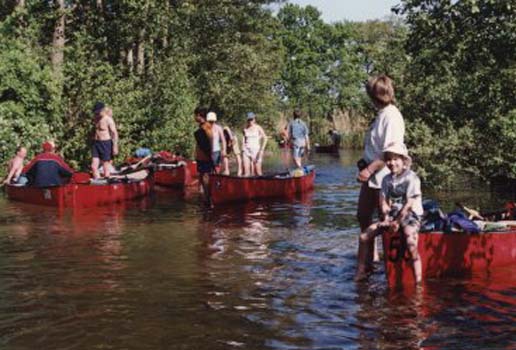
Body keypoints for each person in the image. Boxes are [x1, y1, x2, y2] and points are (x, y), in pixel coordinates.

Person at [356, 142, 423, 284]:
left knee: (410, 240)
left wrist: (397, 222)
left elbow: (409, 205)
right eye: (388, 159)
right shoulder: (386, 179)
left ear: (403, 161)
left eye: (395, 159)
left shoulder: (412, 178)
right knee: (363, 236)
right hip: (393, 216)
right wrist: (386, 218)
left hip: (411, 215)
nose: (392, 163)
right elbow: (383, 202)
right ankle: (360, 272)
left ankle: (418, 280)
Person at [356, 74, 405, 264]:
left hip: (384, 175)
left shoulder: (392, 116)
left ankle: (387, 260)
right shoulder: (381, 114)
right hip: (372, 174)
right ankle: (372, 255)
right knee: (363, 215)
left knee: (385, 219)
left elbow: (390, 152)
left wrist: (369, 170)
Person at [91, 102, 119, 179]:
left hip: (105, 143)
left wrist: (115, 146)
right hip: (96, 143)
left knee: (105, 166)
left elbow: (114, 133)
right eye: (95, 112)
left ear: (102, 110)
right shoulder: (95, 118)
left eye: (98, 111)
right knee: (93, 166)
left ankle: (106, 182)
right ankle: (98, 182)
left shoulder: (108, 119)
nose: (96, 113)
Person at [193, 107, 213, 198]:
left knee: (205, 175)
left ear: (199, 116)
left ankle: (207, 195)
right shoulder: (201, 127)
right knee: (201, 175)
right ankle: (202, 195)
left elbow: (211, 140)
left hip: (205, 156)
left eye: (195, 115)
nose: (194, 117)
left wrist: (210, 155)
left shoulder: (206, 127)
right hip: (200, 157)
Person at [242, 112, 267, 176]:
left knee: (258, 172)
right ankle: (246, 185)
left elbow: (265, 138)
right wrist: (243, 148)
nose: (250, 121)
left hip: (257, 151)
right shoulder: (245, 129)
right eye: (249, 119)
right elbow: (244, 139)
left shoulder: (258, 127)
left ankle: (262, 185)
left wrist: (261, 150)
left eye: (251, 119)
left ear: (254, 119)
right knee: (246, 173)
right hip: (246, 151)